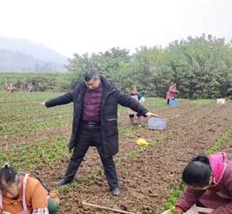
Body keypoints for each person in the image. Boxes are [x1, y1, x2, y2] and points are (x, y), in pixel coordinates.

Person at [43, 68, 157, 197]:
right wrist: (48, 103)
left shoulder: (110, 90)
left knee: (107, 158)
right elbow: (66, 97)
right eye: (87, 84)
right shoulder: (80, 89)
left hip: (102, 130)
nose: (89, 86)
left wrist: (145, 112)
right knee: (76, 156)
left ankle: (114, 186)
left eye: (92, 84)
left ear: (98, 79)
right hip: (84, 129)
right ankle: (67, 178)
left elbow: (128, 101)